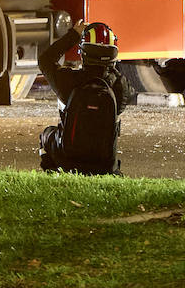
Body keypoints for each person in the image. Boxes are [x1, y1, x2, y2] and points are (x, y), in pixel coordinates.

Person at [37, 19, 127, 175]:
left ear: (83, 52)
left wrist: (74, 34)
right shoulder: (120, 87)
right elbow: (118, 77)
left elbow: (45, 60)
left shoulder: (68, 81)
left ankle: (53, 172)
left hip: (68, 158)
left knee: (46, 134)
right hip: (105, 164)